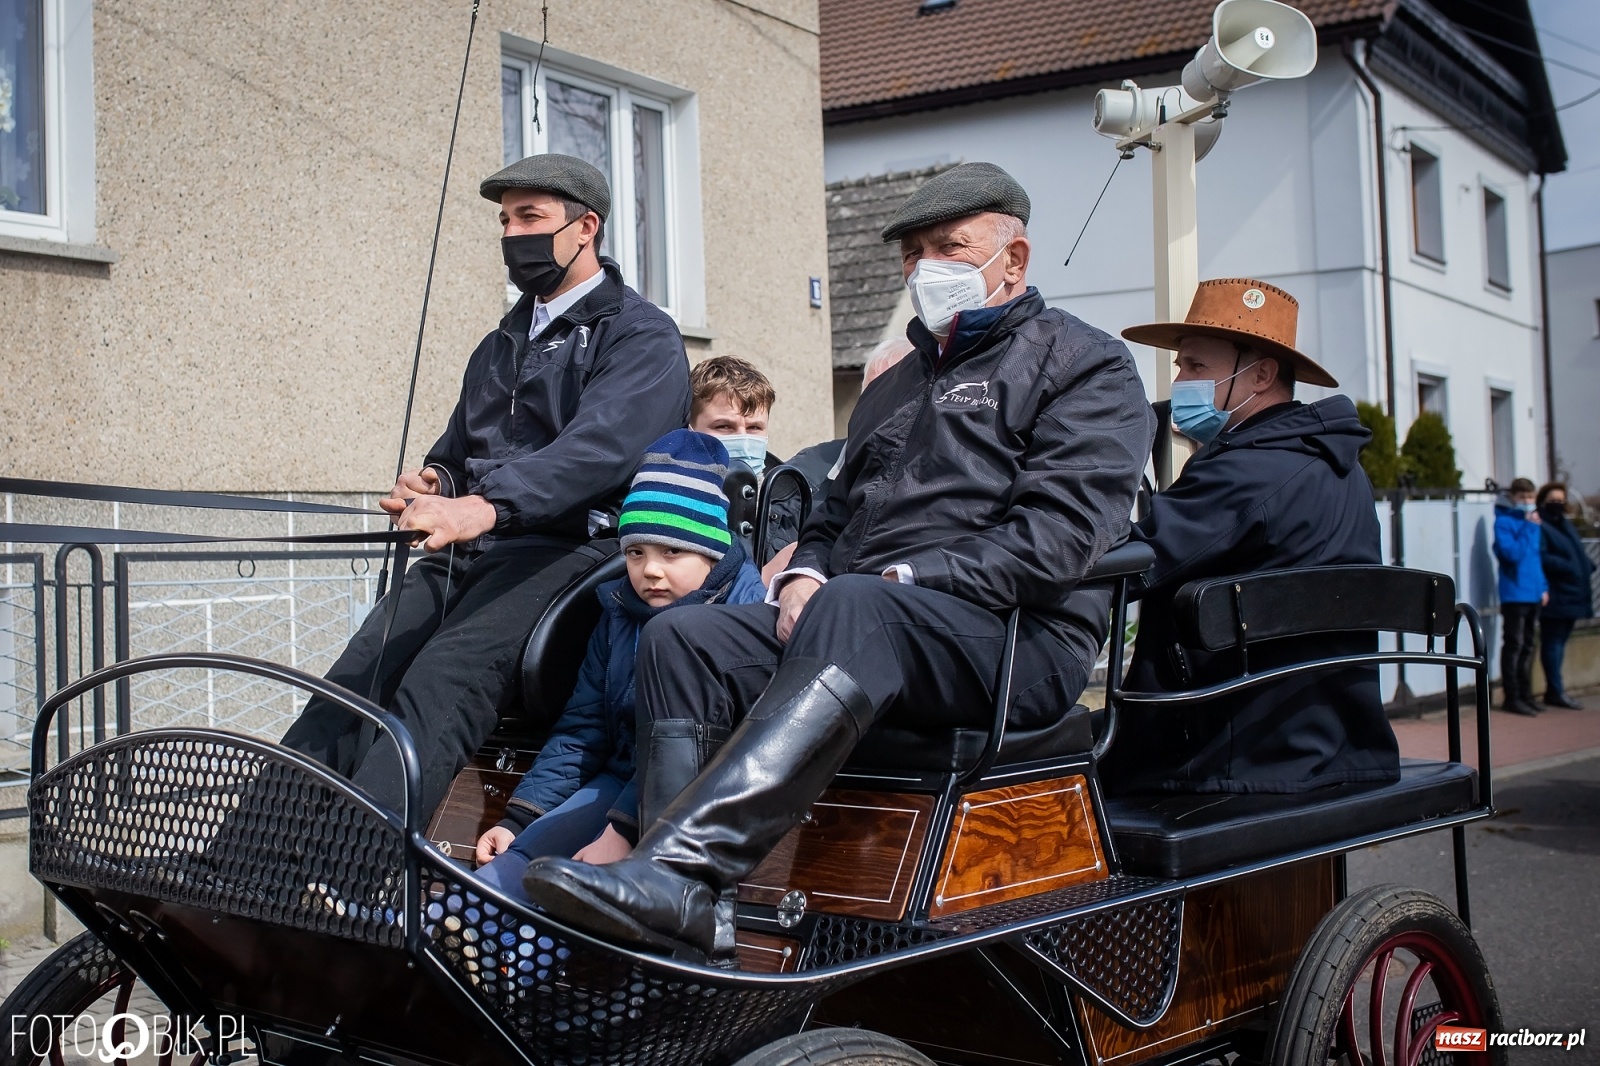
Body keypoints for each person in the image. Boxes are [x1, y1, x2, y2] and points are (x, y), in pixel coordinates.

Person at [518, 161, 1155, 961]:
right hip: (868, 627)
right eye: (912, 253)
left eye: (949, 248)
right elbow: (836, 512)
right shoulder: (896, 383)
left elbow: (1061, 538)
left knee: (858, 607)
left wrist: (898, 582)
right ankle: (688, 908)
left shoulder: (1085, 364)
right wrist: (809, 572)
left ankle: (676, 873)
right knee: (686, 637)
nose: (927, 269)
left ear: (1014, 261)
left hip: (1013, 642)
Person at [279, 154, 691, 816]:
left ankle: (353, 868)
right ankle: (249, 853)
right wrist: (434, 481)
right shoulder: (500, 341)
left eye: (530, 217)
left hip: (574, 549)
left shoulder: (643, 336)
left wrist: (484, 505)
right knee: (361, 670)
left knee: (443, 677)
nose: (512, 234)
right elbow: (459, 451)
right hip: (480, 541)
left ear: (586, 227)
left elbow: (598, 452)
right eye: (504, 220)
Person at [1098, 278, 1396, 794]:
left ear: (1260, 375)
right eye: (1179, 366)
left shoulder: (1249, 471)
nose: (1180, 382)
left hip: (1225, 753)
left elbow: (1128, 563)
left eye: (1196, 367)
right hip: (1333, 739)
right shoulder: (1335, 464)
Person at [471, 431, 766, 902]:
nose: (650, 570)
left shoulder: (742, 619)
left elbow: (712, 748)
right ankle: (448, 923)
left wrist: (624, 828)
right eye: (635, 552)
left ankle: (513, 953)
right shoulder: (618, 615)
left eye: (672, 552)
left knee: (580, 890)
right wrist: (521, 818)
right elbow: (584, 728)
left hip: (689, 799)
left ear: (712, 551)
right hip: (619, 777)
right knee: (519, 862)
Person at [759, 338, 916, 584]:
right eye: (874, 395)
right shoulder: (802, 476)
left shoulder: (940, 484)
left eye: (899, 398)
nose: (884, 409)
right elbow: (765, 570)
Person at [1494, 477, 1548, 716]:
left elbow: (1536, 559)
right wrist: (1528, 527)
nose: (1527, 502)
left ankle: (1527, 694)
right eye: (1523, 498)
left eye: (1530, 498)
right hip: (1514, 594)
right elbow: (1512, 554)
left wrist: (1543, 587)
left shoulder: (1534, 524)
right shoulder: (1505, 522)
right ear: (1513, 498)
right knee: (1514, 645)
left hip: (1533, 592)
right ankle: (1512, 696)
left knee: (1528, 645)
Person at [1537, 483, 1590, 708]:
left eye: (1561, 499)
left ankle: (1557, 689)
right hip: (1557, 593)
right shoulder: (1541, 525)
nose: (1558, 504)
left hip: (1572, 592)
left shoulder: (1564, 525)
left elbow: (1577, 553)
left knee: (1560, 642)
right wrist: (1569, 566)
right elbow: (1543, 557)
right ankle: (1555, 690)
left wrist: (1587, 565)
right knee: (1553, 642)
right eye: (1553, 500)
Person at [687, 356, 776, 477]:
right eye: (724, 426)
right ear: (689, 428)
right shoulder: (662, 492)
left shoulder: (792, 492)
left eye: (754, 427)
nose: (743, 441)